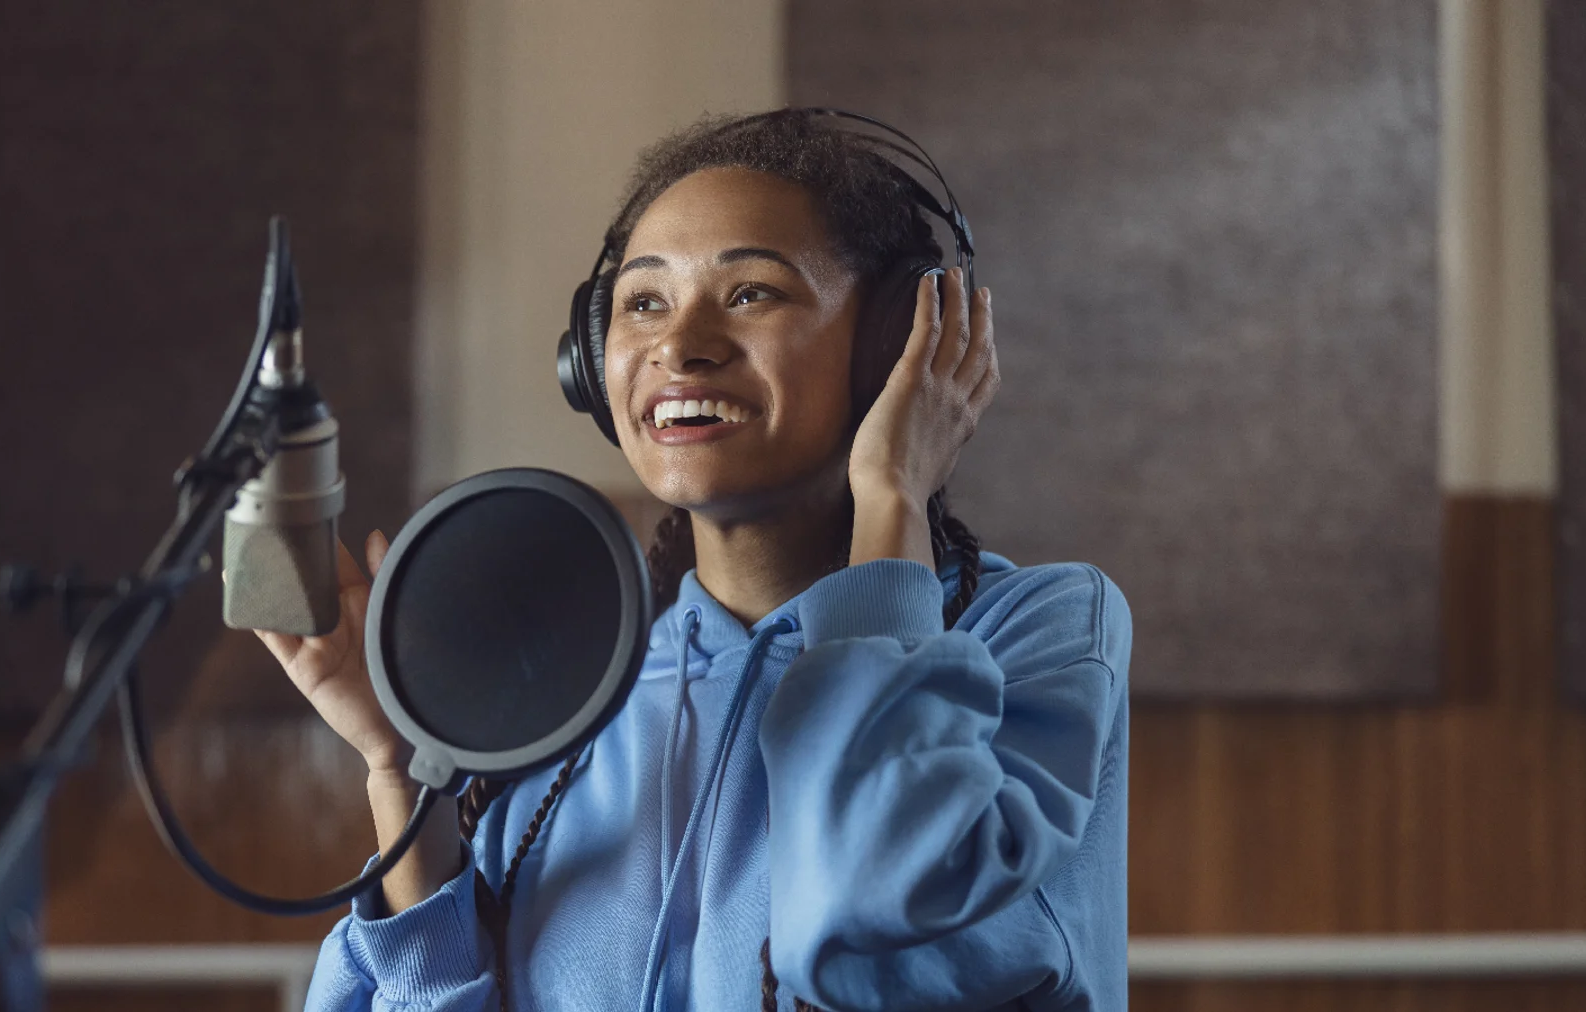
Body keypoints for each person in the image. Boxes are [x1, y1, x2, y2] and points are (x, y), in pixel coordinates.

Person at [257, 109, 1131, 1012]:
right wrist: (403, 763)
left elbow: (875, 909)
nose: (680, 345)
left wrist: (893, 497)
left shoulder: (1038, 632)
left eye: (751, 292)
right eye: (644, 302)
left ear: (893, 347)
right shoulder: (572, 686)